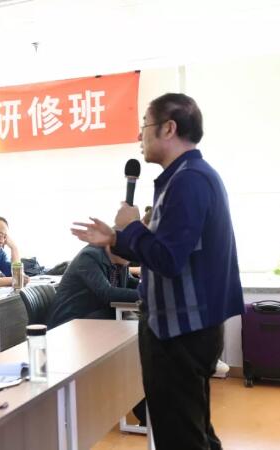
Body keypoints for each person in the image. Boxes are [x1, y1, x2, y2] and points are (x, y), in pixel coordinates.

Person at [71, 93, 244, 450]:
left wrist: (132, 226)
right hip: (184, 326)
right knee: (193, 430)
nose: (140, 136)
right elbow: (167, 248)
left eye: (145, 126)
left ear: (169, 128)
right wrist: (116, 238)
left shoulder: (189, 181)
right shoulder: (186, 177)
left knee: (180, 437)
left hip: (180, 330)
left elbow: (167, 259)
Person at [46, 245, 139, 329]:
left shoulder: (120, 261)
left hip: (96, 317)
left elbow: (130, 282)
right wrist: (145, 294)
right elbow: (107, 293)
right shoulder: (88, 256)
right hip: (70, 323)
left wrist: (147, 287)